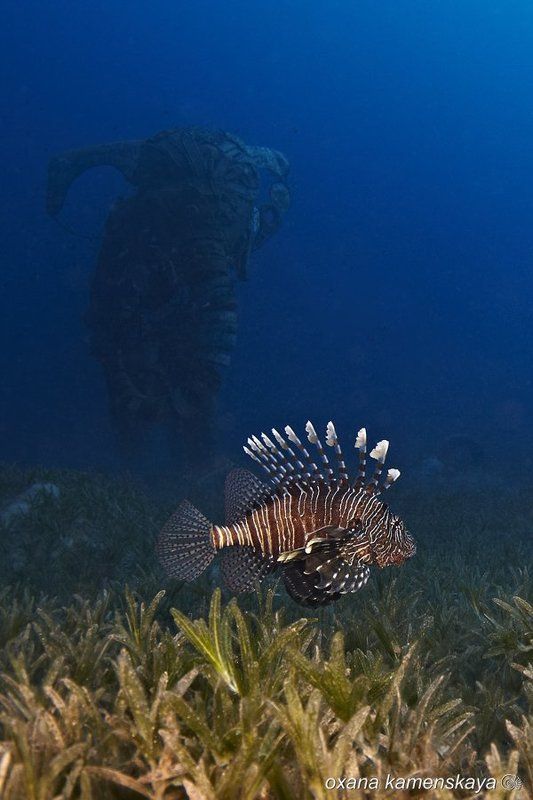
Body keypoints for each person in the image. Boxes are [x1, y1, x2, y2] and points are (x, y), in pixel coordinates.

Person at [47, 127, 290, 473]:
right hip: (171, 324)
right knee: (190, 413)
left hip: (154, 322)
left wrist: (125, 374)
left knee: (159, 410)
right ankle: (179, 478)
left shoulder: (140, 221)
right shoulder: (218, 221)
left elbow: (106, 304)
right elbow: (220, 302)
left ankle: (146, 477)